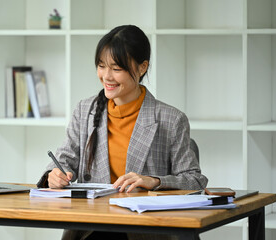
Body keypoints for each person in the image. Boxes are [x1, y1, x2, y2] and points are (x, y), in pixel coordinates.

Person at [37, 25, 208, 240]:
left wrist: (154, 181)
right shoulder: (85, 110)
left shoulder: (171, 119)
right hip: (92, 227)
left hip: (145, 229)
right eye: (101, 66)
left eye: (116, 68)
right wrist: (53, 176)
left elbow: (195, 181)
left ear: (142, 67)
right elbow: (63, 159)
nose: (106, 76)